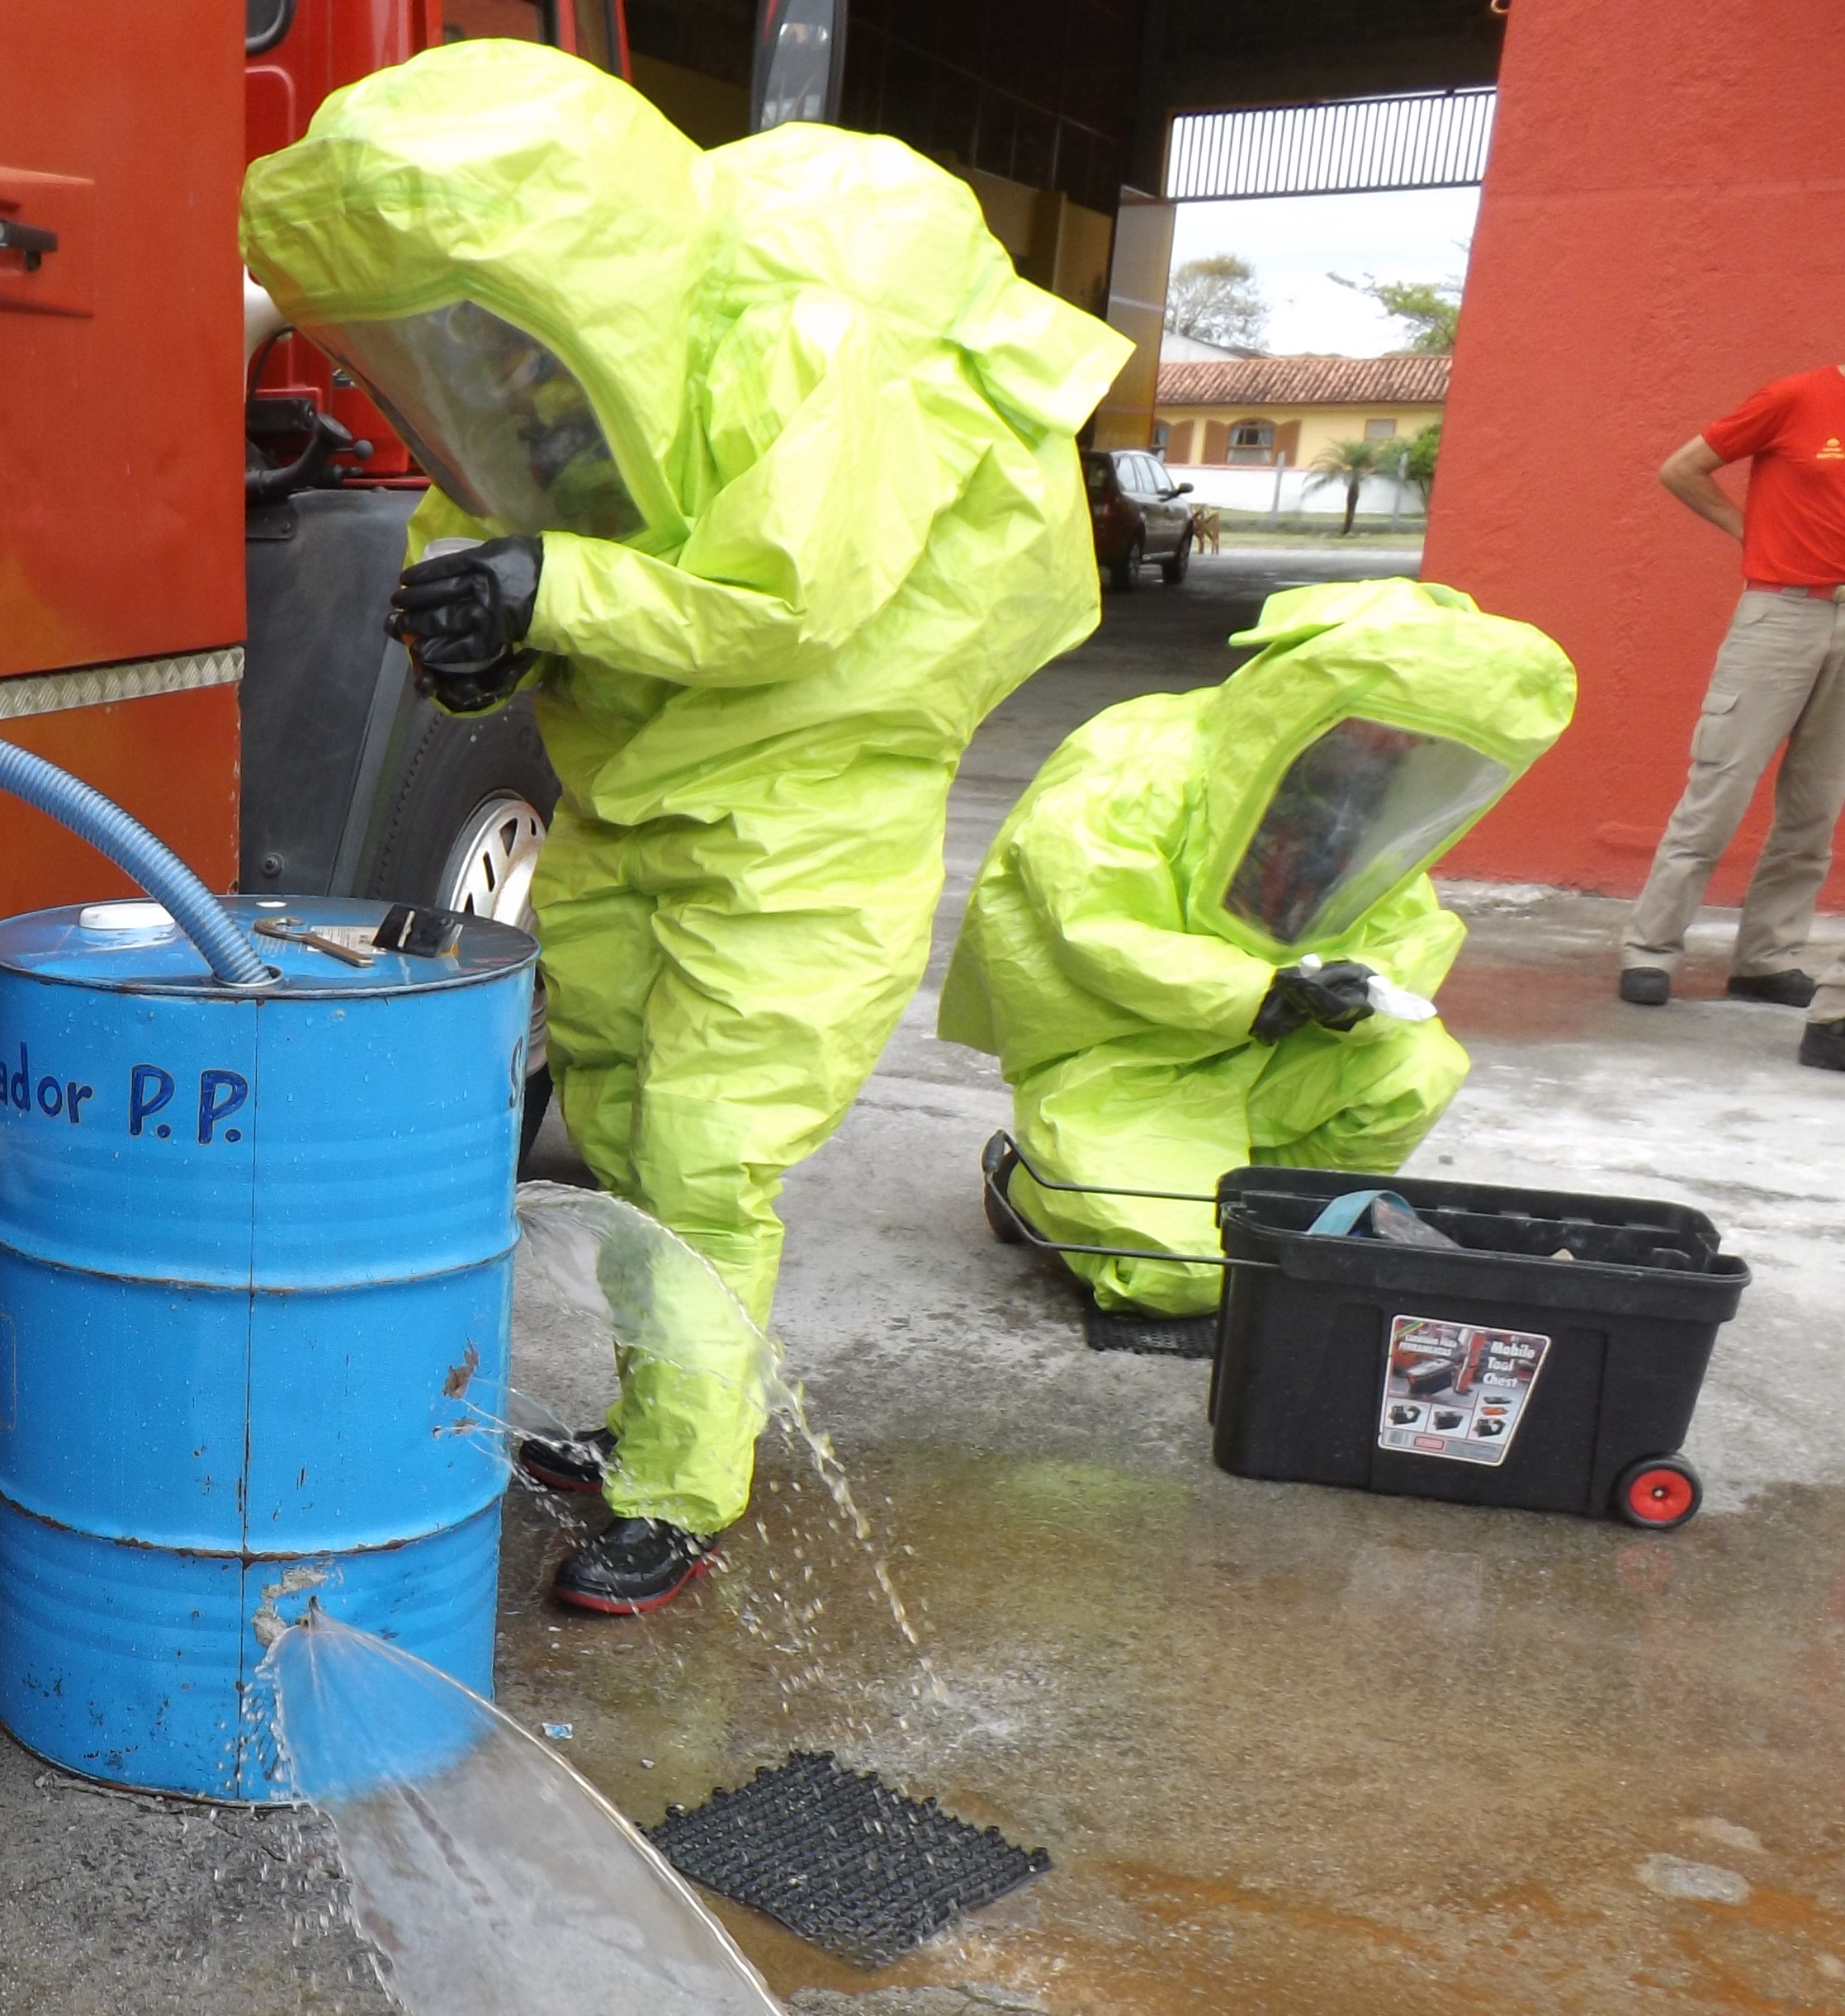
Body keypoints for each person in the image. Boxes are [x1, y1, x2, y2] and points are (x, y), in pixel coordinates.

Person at [240, 44, 1125, 1616]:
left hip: (805, 816)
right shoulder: (526, 373)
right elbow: (501, 533)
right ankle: (661, 1414)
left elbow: (788, 598)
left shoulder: (802, 340)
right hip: (628, 793)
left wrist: (548, 590)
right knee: (622, 1126)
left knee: (707, 1153)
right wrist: (478, 645)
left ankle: (680, 1487)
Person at [940, 579, 1578, 1313]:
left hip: (1270, 1056)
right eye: (1379, 733)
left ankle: (1266, 1205)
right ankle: (1025, 1183)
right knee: (1181, 1277)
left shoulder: (1352, 806)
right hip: (1124, 1056)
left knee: (1415, 1069)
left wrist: (1360, 989)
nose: (1392, 756)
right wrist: (1253, 992)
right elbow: (1093, 926)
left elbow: (1408, 929)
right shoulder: (1139, 760)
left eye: (1415, 745)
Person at [1620, 362, 1845, 1013]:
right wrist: (1751, 531)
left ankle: (1766, 959)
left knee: (1816, 805)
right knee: (1720, 788)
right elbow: (1681, 469)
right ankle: (1650, 949)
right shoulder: (1796, 397)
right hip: (1781, 614)